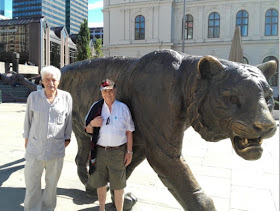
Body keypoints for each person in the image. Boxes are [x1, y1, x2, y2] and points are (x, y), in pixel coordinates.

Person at [23, 65, 72, 211]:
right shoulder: (34, 97)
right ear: (42, 81)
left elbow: (68, 122)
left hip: (55, 151)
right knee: (32, 186)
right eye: (47, 80)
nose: (51, 83)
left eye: (54, 80)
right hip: (34, 150)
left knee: (51, 187)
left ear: (59, 81)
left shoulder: (66, 98)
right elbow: (28, 122)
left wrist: (67, 140)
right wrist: (27, 141)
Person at [85, 79, 135, 211]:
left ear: (116, 91)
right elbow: (87, 129)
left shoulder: (123, 108)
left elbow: (129, 132)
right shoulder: (96, 108)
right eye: (105, 91)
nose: (108, 94)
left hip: (118, 153)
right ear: (101, 93)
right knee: (100, 184)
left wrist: (129, 152)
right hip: (100, 152)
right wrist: (92, 124)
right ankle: (102, 209)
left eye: (111, 90)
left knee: (119, 186)